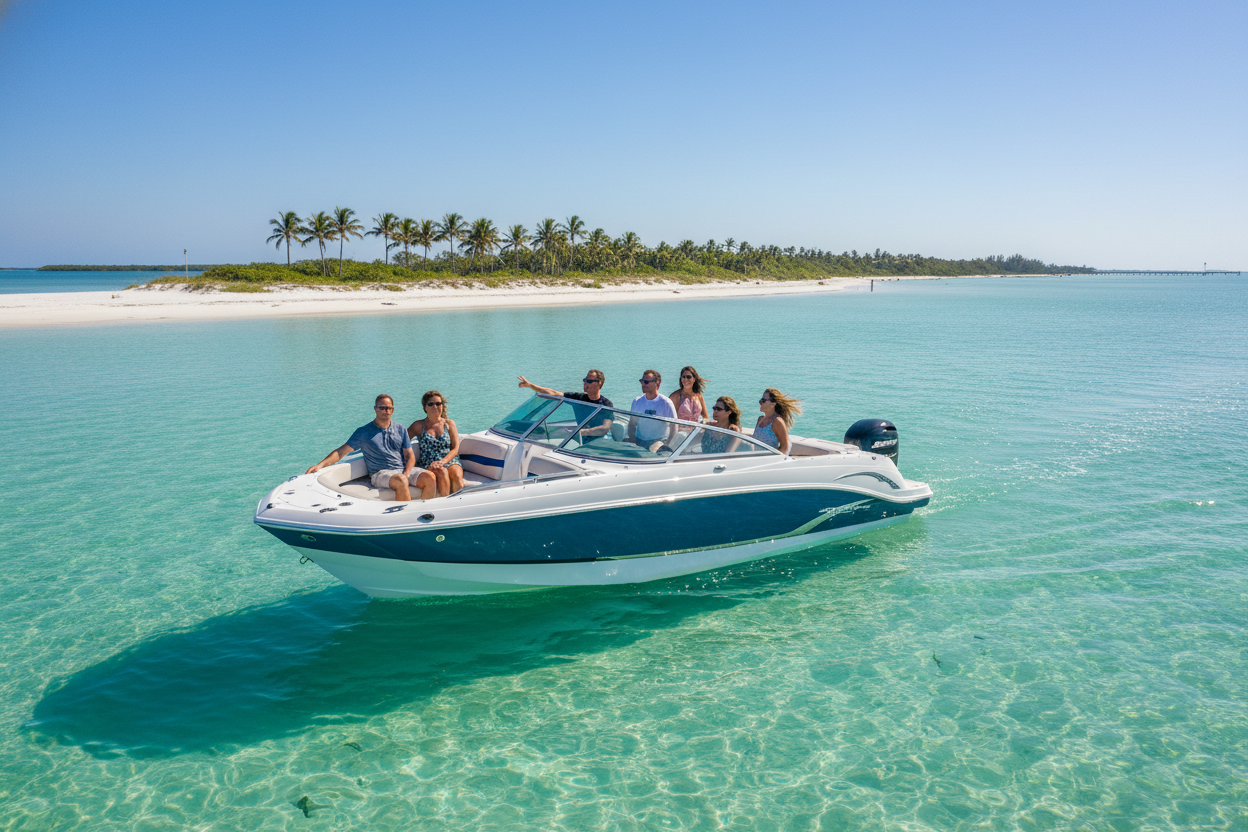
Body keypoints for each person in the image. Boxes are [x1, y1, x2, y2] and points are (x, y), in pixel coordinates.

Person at [305, 394, 426, 501]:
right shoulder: (363, 432)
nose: (385, 411)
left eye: (388, 408)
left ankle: (427, 515)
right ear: (375, 409)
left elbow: (410, 455)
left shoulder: (401, 429)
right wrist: (320, 465)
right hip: (380, 474)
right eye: (381, 408)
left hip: (401, 470)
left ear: (392, 410)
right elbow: (341, 452)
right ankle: (404, 518)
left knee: (429, 477)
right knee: (401, 480)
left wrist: (407, 472)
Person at [517, 369, 614, 437]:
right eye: (584, 380)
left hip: (601, 439)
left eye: (589, 381)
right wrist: (530, 386)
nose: (585, 383)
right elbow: (554, 393)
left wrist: (582, 432)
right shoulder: (579, 398)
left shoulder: (606, 404)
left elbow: (605, 428)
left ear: (599, 383)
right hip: (582, 437)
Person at [407, 390, 464, 497]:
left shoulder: (449, 424)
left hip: (449, 460)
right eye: (431, 404)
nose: (435, 407)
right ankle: (444, 505)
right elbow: (402, 441)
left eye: (438, 403)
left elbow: (455, 448)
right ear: (425, 407)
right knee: (442, 472)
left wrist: (442, 461)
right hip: (429, 463)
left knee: (456, 475)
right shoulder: (418, 426)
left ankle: (458, 506)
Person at [626, 369, 678, 452]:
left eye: (646, 382)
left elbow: (674, 427)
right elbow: (632, 425)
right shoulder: (637, 401)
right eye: (641, 381)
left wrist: (667, 444)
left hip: (659, 441)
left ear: (657, 383)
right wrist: (632, 441)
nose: (643, 384)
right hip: (639, 440)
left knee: (653, 450)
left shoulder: (666, 402)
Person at [754, 388, 803, 454]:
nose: (760, 403)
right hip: (756, 460)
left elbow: (786, 446)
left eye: (763, 400)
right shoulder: (760, 419)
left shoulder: (777, 421)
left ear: (773, 404)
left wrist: (775, 461)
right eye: (760, 400)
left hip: (769, 461)